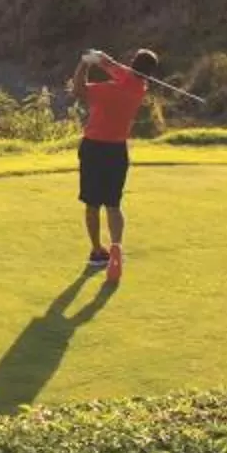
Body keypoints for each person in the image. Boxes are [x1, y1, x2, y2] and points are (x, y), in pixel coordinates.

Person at [72, 48, 158, 281]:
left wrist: (85, 63)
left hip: (93, 148)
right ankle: (116, 246)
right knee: (113, 205)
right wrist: (105, 61)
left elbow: (78, 90)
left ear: (132, 63)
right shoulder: (140, 88)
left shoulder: (109, 90)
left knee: (92, 204)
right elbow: (123, 72)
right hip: (117, 150)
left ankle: (97, 251)